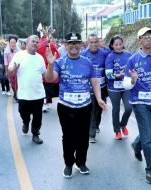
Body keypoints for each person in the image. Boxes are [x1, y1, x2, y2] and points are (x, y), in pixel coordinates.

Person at [44, 32, 106, 178]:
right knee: (68, 137)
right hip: (66, 106)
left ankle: (81, 162)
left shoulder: (87, 62)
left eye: (76, 43)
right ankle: (68, 164)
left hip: (85, 105)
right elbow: (49, 78)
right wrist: (51, 64)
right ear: (65, 46)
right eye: (70, 43)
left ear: (81, 45)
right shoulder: (60, 62)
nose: (73, 46)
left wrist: (99, 98)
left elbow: (95, 82)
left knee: (83, 137)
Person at [123, 27, 151, 184]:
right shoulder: (133, 60)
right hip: (140, 102)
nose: (149, 39)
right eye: (145, 37)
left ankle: (136, 144)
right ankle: (150, 170)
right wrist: (133, 80)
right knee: (148, 138)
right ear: (139, 40)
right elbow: (126, 83)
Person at [8, 35, 46, 144]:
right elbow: (9, 74)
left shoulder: (40, 58)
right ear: (27, 43)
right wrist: (13, 70)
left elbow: (44, 75)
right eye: (32, 41)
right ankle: (25, 122)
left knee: (38, 116)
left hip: (38, 94)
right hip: (24, 94)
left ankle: (35, 134)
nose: (35, 43)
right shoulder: (19, 55)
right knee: (23, 112)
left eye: (36, 42)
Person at [80, 34, 109, 143]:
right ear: (87, 43)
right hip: (89, 88)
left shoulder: (105, 54)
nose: (93, 44)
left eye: (95, 42)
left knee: (99, 109)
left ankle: (96, 124)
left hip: (102, 87)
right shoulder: (83, 54)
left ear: (99, 42)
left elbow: (110, 67)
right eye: (91, 42)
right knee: (91, 110)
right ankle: (91, 134)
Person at [105, 35, 132, 140]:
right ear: (112, 45)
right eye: (116, 45)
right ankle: (117, 131)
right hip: (113, 88)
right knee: (116, 109)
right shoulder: (110, 57)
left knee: (129, 108)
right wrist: (117, 75)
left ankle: (123, 124)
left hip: (126, 87)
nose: (119, 46)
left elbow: (134, 68)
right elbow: (108, 74)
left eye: (120, 44)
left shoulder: (129, 55)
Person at [4, 35, 20, 102]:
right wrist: (6, 72)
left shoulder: (19, 51)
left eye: (14, 42)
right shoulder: (6, 52)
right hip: (10, 69)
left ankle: (17, 95)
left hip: (18, 69)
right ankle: (15, 92)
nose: (13, 44)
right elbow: (6, 63)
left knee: (18, 82)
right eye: (11, 42)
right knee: (12, 83)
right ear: (9, 43)